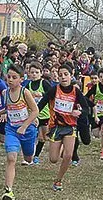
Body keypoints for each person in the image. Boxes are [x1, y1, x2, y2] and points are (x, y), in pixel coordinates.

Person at [35, 63, 89, 191]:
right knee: (53, 159)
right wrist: (34, 117)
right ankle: (61, 147)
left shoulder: (76, 91)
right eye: (60, 75)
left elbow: (86, 108)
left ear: (71, 75)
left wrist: (80, 112)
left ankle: (58, 180)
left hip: (70, 127)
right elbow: (42, 103)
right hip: (56, 127)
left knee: (68, 156)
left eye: (66, 74)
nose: (63, 77)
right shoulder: (54, 90)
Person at [0, 64, 40, 200]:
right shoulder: (5, 93)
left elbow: (35, 111)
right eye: (9, 77)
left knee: (28, 157)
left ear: (21, 79)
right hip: (12, 129)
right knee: (11, 158)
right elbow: (9, 107)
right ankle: (8, 191)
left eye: (14, 77)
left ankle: (31, 151)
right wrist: (0, 113)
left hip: (27, 129)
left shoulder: (25, 92)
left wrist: (25, 126)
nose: (10, 80)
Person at [25, 61, 52, 165]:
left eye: (36, 72)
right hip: (32, 115)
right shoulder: (28, 85)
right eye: (32, 72)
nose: (34, 74)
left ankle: (36, 156)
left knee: (43, 137)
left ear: (41, 73)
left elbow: (51, 94)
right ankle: (30, 156)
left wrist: (42, 94)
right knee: (31, 135)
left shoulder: (44, 83)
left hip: (44, 114)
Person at [86, 67, 103, 161]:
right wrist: (92, 104)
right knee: (96, 134)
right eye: (100, 76)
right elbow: (85, 97)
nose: (102, 78)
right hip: (96, 114)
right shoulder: (95, 87)